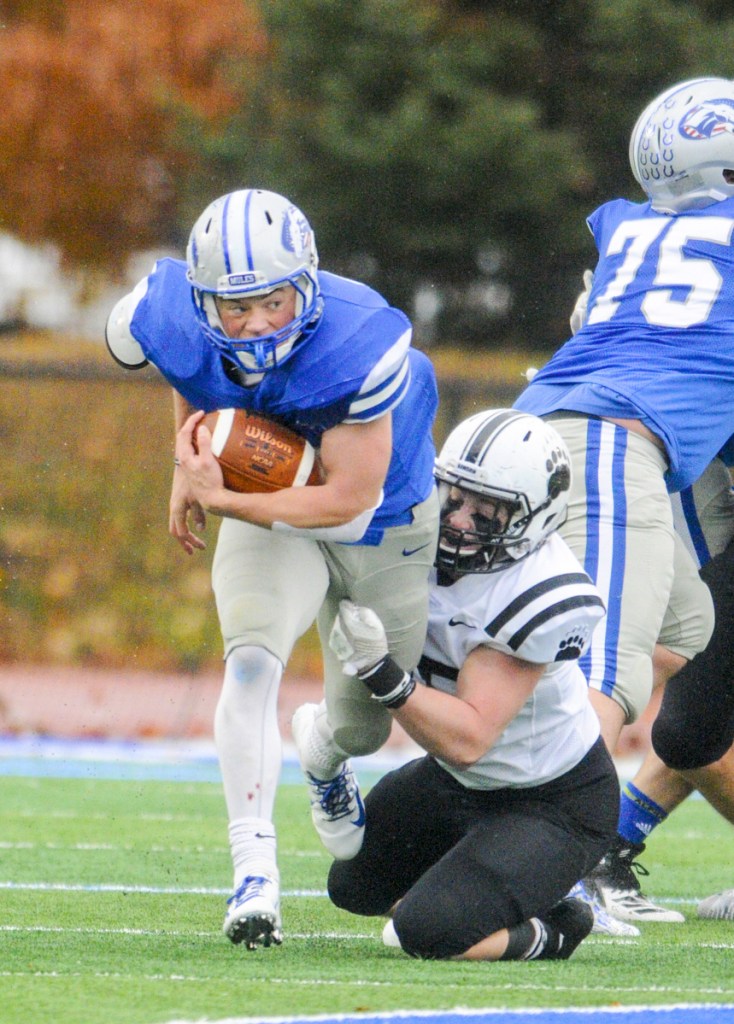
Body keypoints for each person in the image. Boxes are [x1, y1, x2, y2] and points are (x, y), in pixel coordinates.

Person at [105, 188, 440, 949]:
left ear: (306, 287)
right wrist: (187, 465)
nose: (255, 322)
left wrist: (228, 498)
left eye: (272, 301)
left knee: (368, 720)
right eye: (234, 306)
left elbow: (348, 500)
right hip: (272, 509)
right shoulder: (171, 322)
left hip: (380, 520)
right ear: (203, 304)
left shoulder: (360, 343)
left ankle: (322, 752)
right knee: (250, 664)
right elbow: (192, 379)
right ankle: (254, 874)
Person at [513, 77, 734, 923]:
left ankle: (564, 818)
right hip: (610, 442)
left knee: (685, 631)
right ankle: (555, 866)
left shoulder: (629, 226)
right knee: (608, 669)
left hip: (577, 434)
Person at [294, 409, 619, 962]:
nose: (461, 520)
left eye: (487, 510)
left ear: (534, 518)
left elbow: (469, 740)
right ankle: (495, 881)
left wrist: (382, 673)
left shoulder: (539, 592)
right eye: (455, 497)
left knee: (426, 932)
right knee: (353, 888)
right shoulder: (415, 533)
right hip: (457, 785)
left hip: (552, 801)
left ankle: (556, 927)